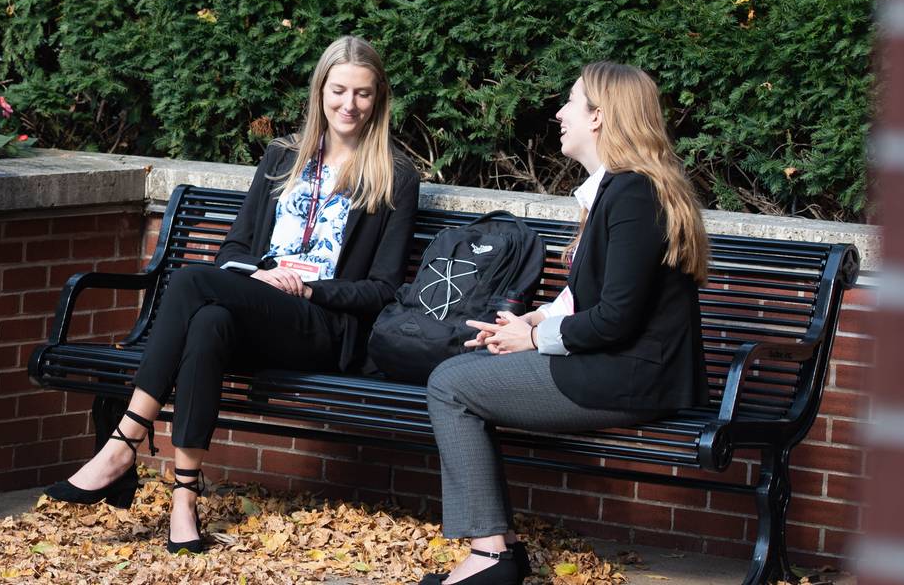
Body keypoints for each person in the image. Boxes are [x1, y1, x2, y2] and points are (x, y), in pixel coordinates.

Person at [45, 36, 421, 553]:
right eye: (339, 90)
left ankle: (125, 441)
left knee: (191, 281)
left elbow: (381, 290)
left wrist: (309, 288)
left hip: (322, 325)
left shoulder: (394, 176)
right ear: (320, 91)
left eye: (362, 94)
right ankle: (184, 499)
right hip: (260, 308)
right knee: (208, 324)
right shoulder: (283, 156)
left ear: (379, 99)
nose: (348, 105)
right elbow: (235, 249)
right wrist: (259, 277)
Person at [417, 62, 710, 584]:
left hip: (631, 375)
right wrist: (533, 319)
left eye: (571, 102)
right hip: (617, 366)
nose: (559, 113)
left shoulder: (634, 195)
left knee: (450, 385)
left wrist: (533, 338)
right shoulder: (620, 191)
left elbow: (617, 319)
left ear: (599, 117)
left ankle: (490, 558)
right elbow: (594, 295)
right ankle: (498, 548)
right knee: (465, 367)